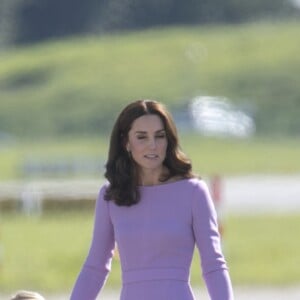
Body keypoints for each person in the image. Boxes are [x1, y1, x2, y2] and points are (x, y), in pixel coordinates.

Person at [70, 99, 234, 300]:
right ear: (126, 142)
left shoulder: (193, 192)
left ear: (169, 140)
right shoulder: (110, 197)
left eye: (159, 136)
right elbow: (95, 268)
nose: (153, 146)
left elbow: (214, 265)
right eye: (142, 137)